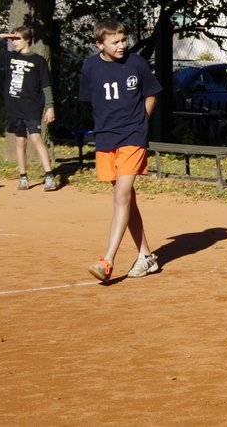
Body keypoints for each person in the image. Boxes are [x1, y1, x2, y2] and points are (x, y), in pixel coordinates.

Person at [80, 19, 162, 282]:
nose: (121, 45)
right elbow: (92, 101)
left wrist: (141, 122)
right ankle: (146, 256)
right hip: (106, 139)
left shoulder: (136, 63)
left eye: (124, 39)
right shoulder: (90, 66)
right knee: (126, 199)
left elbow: (152, 93)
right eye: (114, 41)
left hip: (133, 137)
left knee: (121, 196)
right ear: (99, 44)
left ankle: (108, 260)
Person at [0, 27, 58, 191]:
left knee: (36, 138)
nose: (14, 42)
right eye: (12, 39)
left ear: (28, 40)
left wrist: (50, 107)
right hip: (14, 107)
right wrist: (2, 36)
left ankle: (49, 176)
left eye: (18, 39)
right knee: (20, 141)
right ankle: (23, 177)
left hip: (32, 106)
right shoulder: (10, 57)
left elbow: (46, 86)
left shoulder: (38, 60)